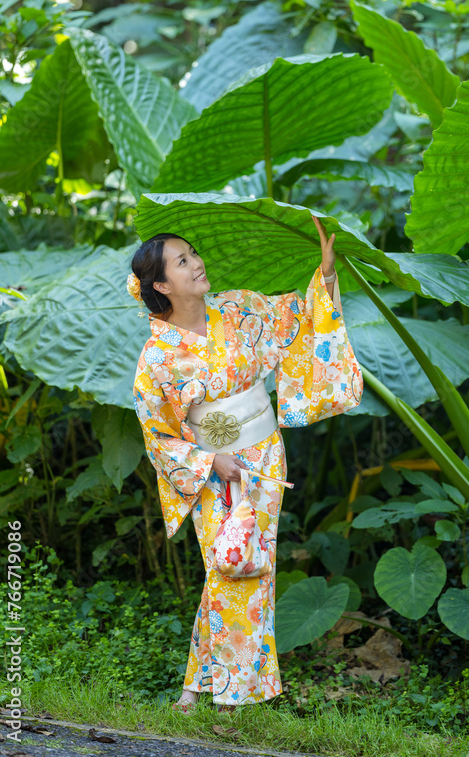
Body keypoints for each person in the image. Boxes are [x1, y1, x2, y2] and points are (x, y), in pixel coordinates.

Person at [128, 215, 363, 711]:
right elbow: (159, 435)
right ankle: (234, 696)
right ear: (162, 285)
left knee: (239, 565)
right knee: (233, 570)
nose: (197, 264)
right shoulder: (157, 359)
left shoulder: (239, 310)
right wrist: (212, 459)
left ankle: (196, 690)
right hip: (214, 469)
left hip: (264, 457)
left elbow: (300, 317)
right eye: (183, 261)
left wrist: (325, 276)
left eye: (194, 253)